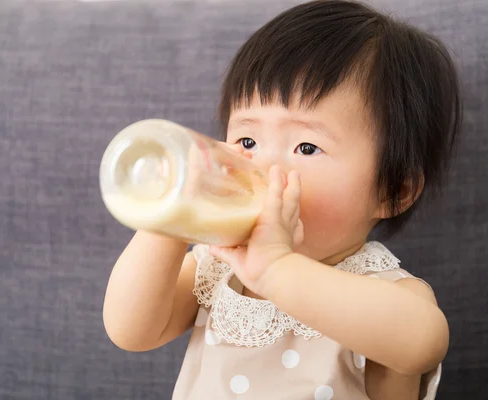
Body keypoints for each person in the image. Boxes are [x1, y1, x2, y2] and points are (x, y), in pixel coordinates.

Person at [102, 1, 462, 398]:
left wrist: (276, 269)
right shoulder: (216, 268)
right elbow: (130, 330)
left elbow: (422, 344)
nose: (264, 168)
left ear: (393, 192)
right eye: (248, 141)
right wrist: (170, 217)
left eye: (307, 148)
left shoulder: (385, 292)